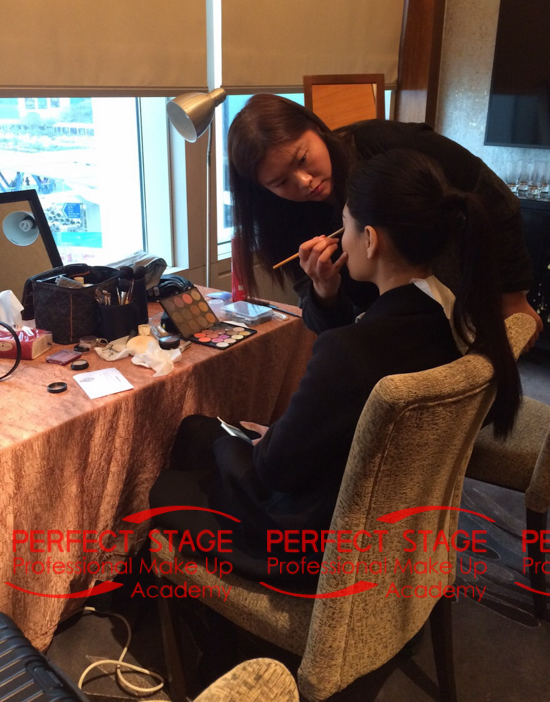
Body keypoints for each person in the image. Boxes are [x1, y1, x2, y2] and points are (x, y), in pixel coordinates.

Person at [148, 149, 521, 590]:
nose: (339, 242)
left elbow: (275, 470)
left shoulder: (348, 351)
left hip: (314, 545)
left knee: (187, 455)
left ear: (370, 239)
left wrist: (258, 440)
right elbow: (356, 375)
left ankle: (206, 616)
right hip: (390, 522)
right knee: (210, 434)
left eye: (343, 226)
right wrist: (326, 293)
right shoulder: (447, 312)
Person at [228, 94, 542, 344]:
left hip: (461, 298)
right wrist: (324, 290)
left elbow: (495, 198)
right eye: (281, 182)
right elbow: (329, 325)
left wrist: (512, 294)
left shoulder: (382, 143)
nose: (305, 181)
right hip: (390, 330)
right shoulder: (284, 222)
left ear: (315, 128)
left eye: (302, 159)